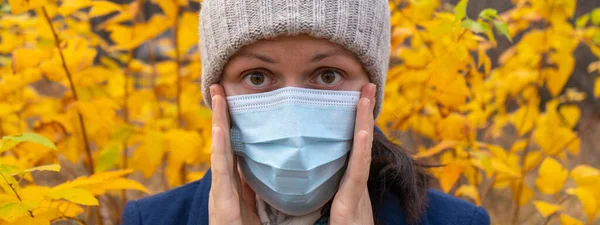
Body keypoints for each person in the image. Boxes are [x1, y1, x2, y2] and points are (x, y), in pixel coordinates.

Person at [121, 0, 490, 225]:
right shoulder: (151, 220)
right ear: (216, 95)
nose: (292, 119)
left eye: (327, 75)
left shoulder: (456, 222)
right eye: (257, 76)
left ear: (371, 92)